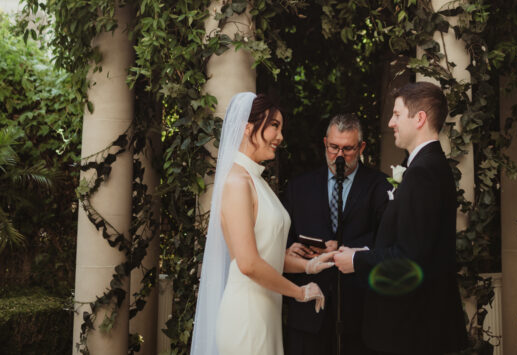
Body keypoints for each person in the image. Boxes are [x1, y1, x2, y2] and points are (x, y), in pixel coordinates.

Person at [191, 92, 336, 355]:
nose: (280, 136)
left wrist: (309, 265)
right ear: (247, 128)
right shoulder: (237, 182)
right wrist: (300, 292)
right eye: (274, 125)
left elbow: (264, 254)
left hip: (266, 313)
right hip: (246, 316)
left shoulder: (257, 181)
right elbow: (247, 263)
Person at [332, 82, 469, 355]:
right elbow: (413, 242)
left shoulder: (423, 172)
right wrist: (366, 251)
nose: (391, 122)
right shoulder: (422, 166)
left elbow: (410, 259)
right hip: (416, 328)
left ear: (419, 119)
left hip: (415, 330)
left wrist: (356, 261)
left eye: (397, 114)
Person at [283, 113, 392, 355]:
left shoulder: (380, 185)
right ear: (325, 143)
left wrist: (344, 247)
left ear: (362, 147)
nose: (339, 156)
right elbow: (282, 237)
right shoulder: (299, 187)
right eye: (333, 147)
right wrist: (291, 248)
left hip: (360, 312)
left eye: (348, 149)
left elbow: (388, 240)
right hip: (308, 313)